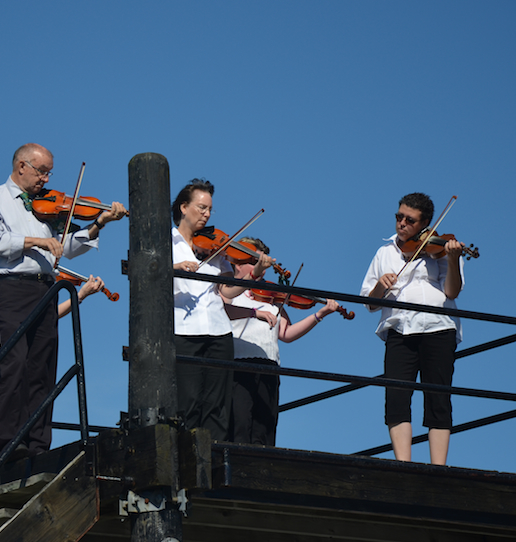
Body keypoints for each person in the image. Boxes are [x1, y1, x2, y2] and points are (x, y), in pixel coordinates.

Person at [0, 143, 127, 462]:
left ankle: (38, 445)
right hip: (11, 287)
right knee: (13, 364)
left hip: (44, 288)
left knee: (42, 367)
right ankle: (9, 447)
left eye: (49, 173)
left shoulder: (47, 205)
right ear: (21, 166)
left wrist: (100, 223)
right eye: (42, 171)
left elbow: (66, 247)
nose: (46, 178)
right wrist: (34, 240)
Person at [360, 193, 465, 465]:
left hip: (438, 327)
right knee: (396, 398)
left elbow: (451, 291)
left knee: (438, 398)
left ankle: (438, 468)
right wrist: (381, 285)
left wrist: (452, 259)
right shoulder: (385, 253)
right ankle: (403, 465)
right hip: (399, 329)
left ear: (425, 224)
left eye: (410, 220)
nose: (402, 224)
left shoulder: (440, 249)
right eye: (399, 217)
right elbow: (369, 304)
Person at [171, 179, 274, 442]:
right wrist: (174, 268)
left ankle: (213, 460)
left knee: (217, 405)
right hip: (184, 329)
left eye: (209, 210)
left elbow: (225, 292)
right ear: (184, 207)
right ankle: (186, 460)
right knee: (189, 401)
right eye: (201, 208)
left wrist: (254, 275)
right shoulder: (166, 244)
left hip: (218, 331)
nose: (206, 214)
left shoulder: (215, 250)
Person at [223, 237, 339, 446]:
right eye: (255, 262)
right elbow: (223, 310)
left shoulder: (270, 296)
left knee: (264, 428)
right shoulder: (228, 290)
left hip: (269, 366)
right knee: (239, 424)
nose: (262, 269)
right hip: (238, 363)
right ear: (237, 262)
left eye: (264, 264)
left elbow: (286, 334)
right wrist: (253, 313)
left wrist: (320, 315)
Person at [0, 264, 106, 436]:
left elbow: (48, 314)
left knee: (35, 406)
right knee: (9, 409)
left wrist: (79, 295)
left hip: (33, 347)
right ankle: (8, 452)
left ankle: (31, 451)